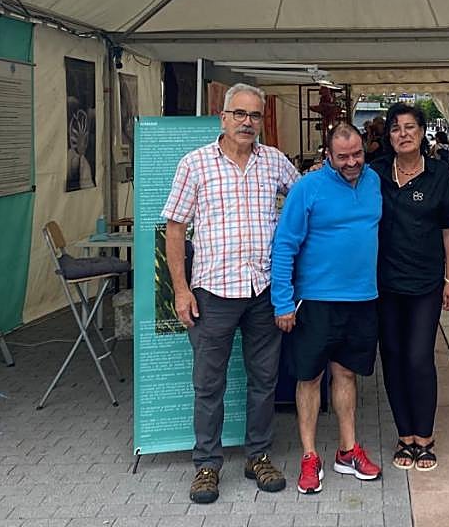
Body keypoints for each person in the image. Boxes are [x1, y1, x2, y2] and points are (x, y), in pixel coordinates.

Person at [162, 83, 300, 505]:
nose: (246, 122)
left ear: (262, 121)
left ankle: (258, 455)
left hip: (262, 291)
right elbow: (174, 228)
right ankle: (206, 464)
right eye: (239, 114)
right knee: (209, 384)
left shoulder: (275, 162)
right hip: (212, 292)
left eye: (254, 115)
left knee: (264, 380)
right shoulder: (195, 164)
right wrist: (181, 290)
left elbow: (304, 201)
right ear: (222, 117)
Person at [271, 123, 383, 495]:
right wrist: (283, 302)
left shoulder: (374, 182)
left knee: (347, 375)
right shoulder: (308, 188)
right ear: (328, 155)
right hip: (316, 300)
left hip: (362, 299)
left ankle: (347, 451)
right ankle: (308, 456)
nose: (352, 163)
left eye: (357, 155)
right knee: (310, 378)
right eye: (343, 157)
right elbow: (284, 246)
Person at [371, 103, 449, 471]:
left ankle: (425, 435)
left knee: (418, 357)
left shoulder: (440, 175)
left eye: (410, 127)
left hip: (426, 283)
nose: (403, 134)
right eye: (396, 128)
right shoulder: (375, 174)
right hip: (383, 284)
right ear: (388, 135)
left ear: (423, 131)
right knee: (392, 358)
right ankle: (404, 434)